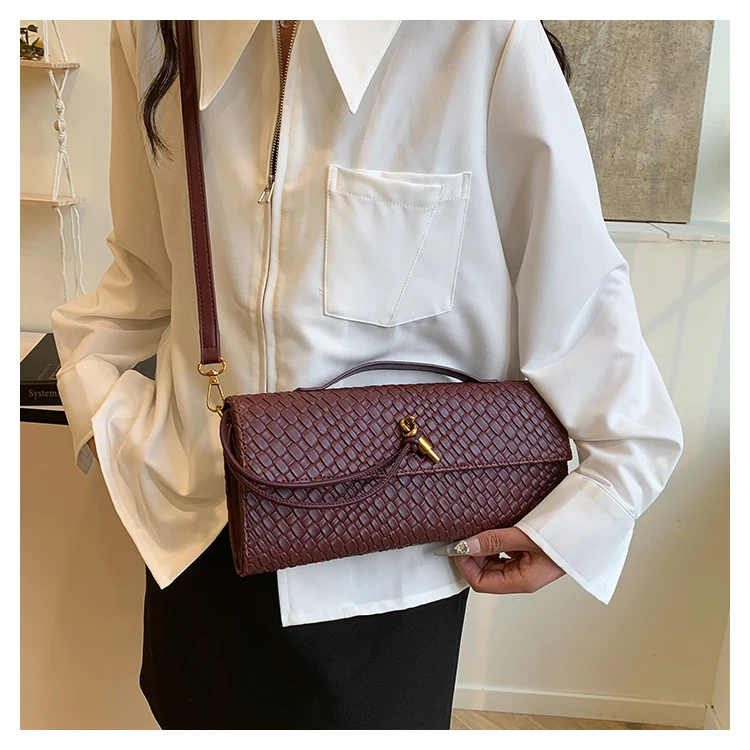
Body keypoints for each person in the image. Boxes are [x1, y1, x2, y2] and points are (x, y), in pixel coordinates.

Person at [50, 20, 683, 730]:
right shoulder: (157, 29)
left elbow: (583, 305)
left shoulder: (480, 37)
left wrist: (593, 511)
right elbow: (144, 272)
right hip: (197, 537)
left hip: (390, 573)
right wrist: (96, 401)